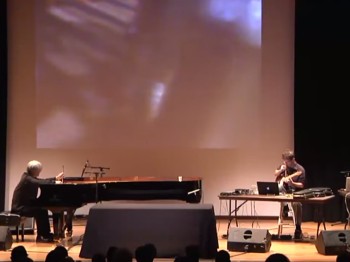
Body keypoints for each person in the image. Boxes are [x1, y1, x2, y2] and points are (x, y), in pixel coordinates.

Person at [11, 160, 64, 242]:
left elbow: (41, 180)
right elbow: (39, 182)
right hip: (19, 208)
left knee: (42, 209)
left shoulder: (28, 177)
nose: (39, 172)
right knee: (40, 211)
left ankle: (45, 234)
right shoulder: (27, 179)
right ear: (34, 171)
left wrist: (55, 178)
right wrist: (54, 182)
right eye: (39, 171)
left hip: (25, 206)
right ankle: (42, 236)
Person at [274, 149, 306, 240]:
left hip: (294, 192)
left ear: (293, 160)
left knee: (297, 204)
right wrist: (281, 170)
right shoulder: (283, 166)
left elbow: (301, 185)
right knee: (276, 189)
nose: (285, 163)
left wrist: (292, 183)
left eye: (287, 161)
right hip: (283, 190)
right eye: (284, 161)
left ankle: (298, 228)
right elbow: (275, 173)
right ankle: (285, 207)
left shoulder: (300, 170)